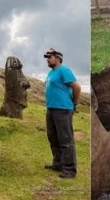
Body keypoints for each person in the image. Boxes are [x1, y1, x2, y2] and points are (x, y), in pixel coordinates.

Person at [43, 48, 81, 178]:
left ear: (58, 58)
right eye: (47, 57)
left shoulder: (63, 70)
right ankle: (58, 164)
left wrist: (74, 103)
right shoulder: (51, 73)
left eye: (50, 57)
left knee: (65, 140)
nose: (47, 59)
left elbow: (77, 87)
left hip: (63, 110)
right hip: (51, 109)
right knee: (53, 137)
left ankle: (70, 169)